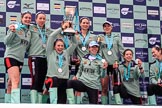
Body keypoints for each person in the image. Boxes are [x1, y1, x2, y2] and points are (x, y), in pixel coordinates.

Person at [44, 21, 77, 104]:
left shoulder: (66, 53)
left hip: (63, 80)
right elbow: (51, 37)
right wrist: (62, 28)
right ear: (54, 46)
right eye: (58, 45)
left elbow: (74, 43)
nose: (60, 47)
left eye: (62, 46)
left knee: (62, 101)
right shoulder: (50, 52)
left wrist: (71, 31)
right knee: (54, 81)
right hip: (51, 79)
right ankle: (53, 104)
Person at [4, 11, 32, 103]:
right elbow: (6, 42)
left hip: (20, 59)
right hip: (11, 56)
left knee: (11, 83)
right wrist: (12, 32)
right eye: (26, 17)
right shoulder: (15, 27)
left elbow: (26, 47)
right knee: (16, 81)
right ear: (22, 19)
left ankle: (7, 103)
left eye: (29, 18)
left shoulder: (29, 32)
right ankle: (15, 104)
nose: (27, 19)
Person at [27, 11, 53, 103]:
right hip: (34, 57)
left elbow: (59, 34)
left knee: (41, 81)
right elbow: (21, 25)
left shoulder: (48, 30)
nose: (42, 20)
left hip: (44, 58)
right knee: (35, 79)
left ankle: (38, 103)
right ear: (36, 19)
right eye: (40, 18)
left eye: (44, 18)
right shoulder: (31, 28)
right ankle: (34, 103)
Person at [72, 17, 98, 104]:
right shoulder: (75, 35)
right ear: (80, 24)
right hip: (79, 63)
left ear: (89, 24)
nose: (85, 24)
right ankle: (77, 104)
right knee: (78, 86)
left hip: (90, 64)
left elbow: (96, 50)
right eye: (83, 23)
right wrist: (75, 59)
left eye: (87, 23)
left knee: (91, 84)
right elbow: (73, 49)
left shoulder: (94, 37)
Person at [98, 21, 124, 104]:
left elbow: (122, 50)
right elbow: (98, 51)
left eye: (108, 26)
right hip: (104, 65)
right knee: (104, 88)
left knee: (116, 87)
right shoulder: (100, 37)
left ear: (111, 27)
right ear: (103, 28)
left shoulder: (116, 37)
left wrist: (124, 63)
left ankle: (118, 105)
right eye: (105, 26)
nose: (106, 27)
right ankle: (104, 105)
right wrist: (102, 61)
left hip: (114, 65)